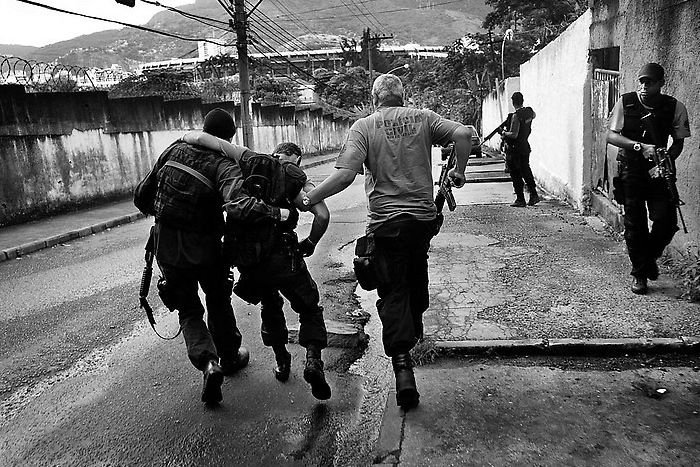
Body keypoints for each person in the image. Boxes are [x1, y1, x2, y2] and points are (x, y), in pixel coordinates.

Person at [301, 73, 472, 410]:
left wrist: (311, 198)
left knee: (393, 291)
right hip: (422, 221)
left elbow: (346, 174)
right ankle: (415, 323)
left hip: (387, 225)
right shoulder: (423, 118)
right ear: (402, 96)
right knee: (414, 276)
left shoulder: (364, 127)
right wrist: (459, 170)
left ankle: (403, 368)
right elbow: (464, 133)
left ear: (374, 98)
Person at [181, 132, 333, 401]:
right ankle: (312, 360)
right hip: (285, 259)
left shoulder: (247, 160)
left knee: (270, 306)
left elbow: (213, 142)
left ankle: (282, 361)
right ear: (295, 160)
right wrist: (310, 242)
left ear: (275, 153)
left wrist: (186, 136)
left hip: (251, 261)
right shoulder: (295, 177)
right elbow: (322, 214)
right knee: (309, 307)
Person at [133, 108, 250, 405]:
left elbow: (141, 196)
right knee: (218, 301)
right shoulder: (225, 164)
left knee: (188, 309)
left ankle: (208, 363)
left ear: (203, 128)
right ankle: (229, 356)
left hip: (167, 245)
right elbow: (238, 206)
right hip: (207, 247)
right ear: (229, 138)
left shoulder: (174, 148)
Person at [606, 62, 691, 295]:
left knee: (666, 222)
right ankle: (639, 275)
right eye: (641, 81)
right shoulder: (626, 101)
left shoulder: (675, 106)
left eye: (649, 82)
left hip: (659, 171)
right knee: (635, 225)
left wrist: (667, 158)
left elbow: (679, 141)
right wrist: (639, 146)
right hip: (631, 169)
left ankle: (648, 260)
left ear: (661, 83)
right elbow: (611, 135)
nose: (643, 86)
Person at [500, 92, 538, 207]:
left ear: (513, 102)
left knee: (515, 174)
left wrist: (503, 133)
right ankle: (534, 195)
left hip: (515, 149)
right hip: (525, 146)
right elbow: (533, 116)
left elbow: (514, 134)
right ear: (522, 100)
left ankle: (520, 199)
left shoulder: (516, 116)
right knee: (526, 171)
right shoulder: (529, 112)